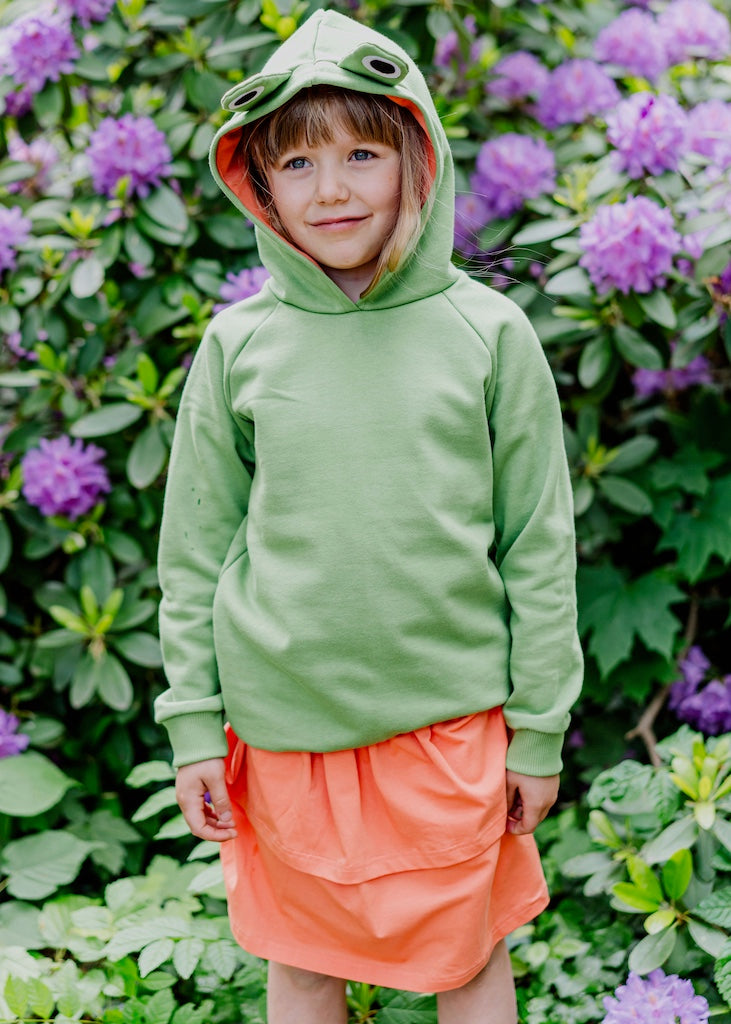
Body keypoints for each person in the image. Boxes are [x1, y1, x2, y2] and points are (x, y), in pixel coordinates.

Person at [154, 9, 583, 1024]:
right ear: (255, 179)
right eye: (296, 163)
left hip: (450, 729)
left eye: (360, 152)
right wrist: (192, 728)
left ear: (416, 158)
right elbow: (195, 548)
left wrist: (536, 731)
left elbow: (538, 544)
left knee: (465, 958)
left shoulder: (487, 334)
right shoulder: (237, 345)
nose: (332, 188)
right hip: (286, 732)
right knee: (301, 965)